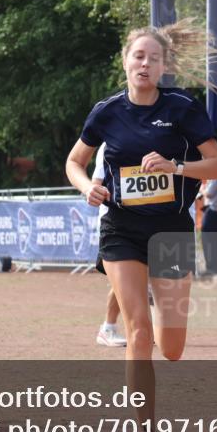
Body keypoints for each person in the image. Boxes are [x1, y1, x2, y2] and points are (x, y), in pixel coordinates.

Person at [65, 20, 217, 432]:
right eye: (138, 56)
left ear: (163, 66)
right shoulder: (107, 112)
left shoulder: (182, 109)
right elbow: (74, 162)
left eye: (153, 58)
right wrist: (86, 188)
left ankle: (162, 297)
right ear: (125, 61)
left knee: (171, 347)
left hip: (172, 230)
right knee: (139, 332)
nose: (145, 63)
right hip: (122, 229)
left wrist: (176, 167)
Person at [91, 145, 126, 348]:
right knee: (123, 281)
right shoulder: (109, 144)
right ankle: (108, 327)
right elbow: (96, 182)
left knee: (152, 281)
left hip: (149, 222)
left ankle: (152, 328)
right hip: (115, 223)